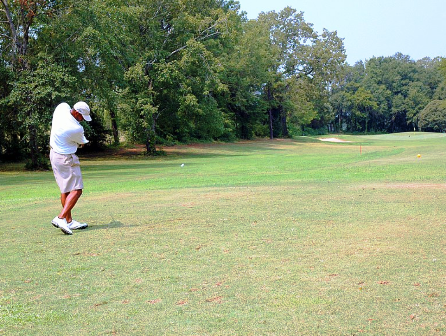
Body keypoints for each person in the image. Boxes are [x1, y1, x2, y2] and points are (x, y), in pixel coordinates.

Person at [49, 101, 92, 235]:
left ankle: (69, 222)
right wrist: (80, 142)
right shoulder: (76, 128)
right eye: (82, 117)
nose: (82, 120)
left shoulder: (61, 108)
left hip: (54, 154)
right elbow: (82, 143)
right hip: (66, 158)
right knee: (77, 190)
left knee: (65, 190)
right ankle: (60, 218)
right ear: (77, 113)